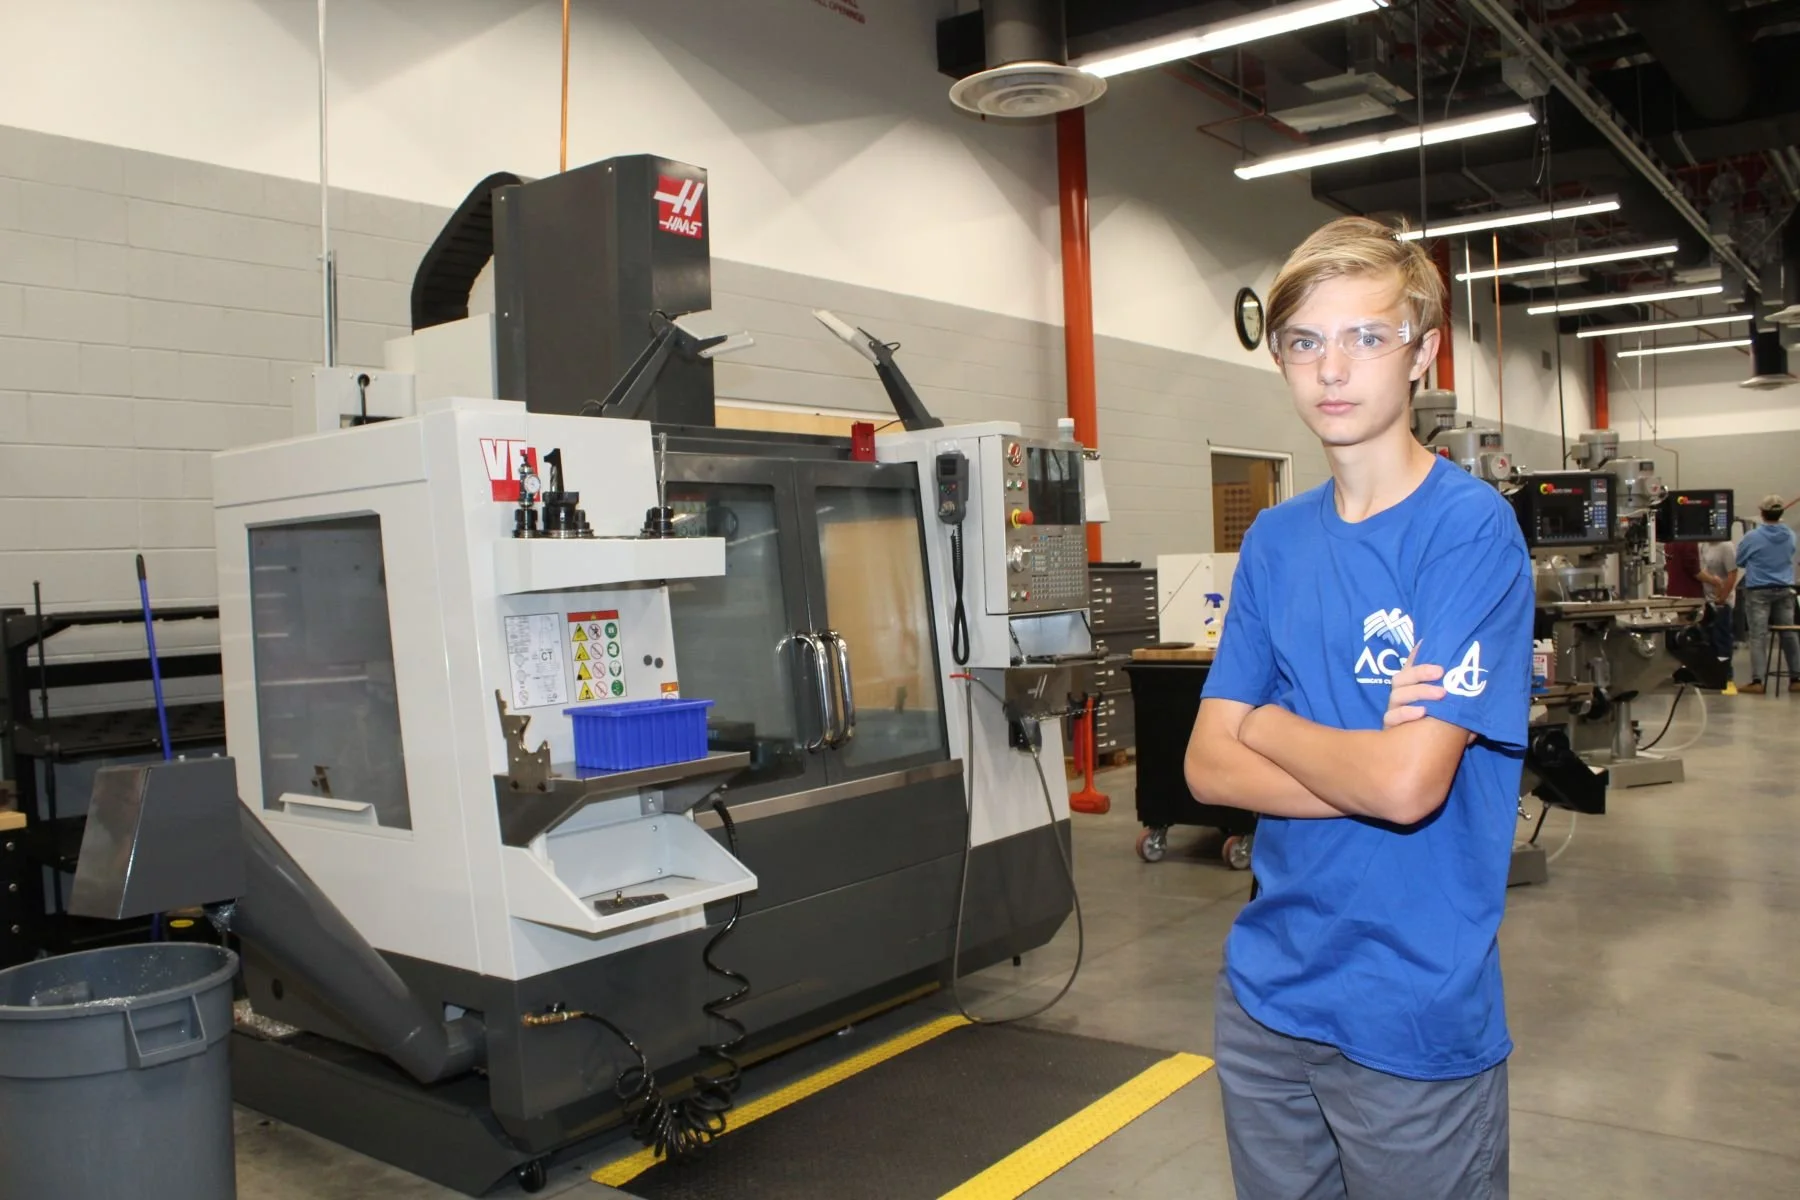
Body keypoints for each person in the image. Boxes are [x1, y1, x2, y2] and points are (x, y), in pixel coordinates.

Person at [1184, 216, 1532, 1200]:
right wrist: (1366, 764)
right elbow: (1206, 767)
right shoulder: (1275, 540)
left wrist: (1269, 724)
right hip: (1268, 999)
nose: (1331, 369)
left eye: (1366, 337)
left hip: (1411, 1015)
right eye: (1304, 342)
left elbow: (1410, 788)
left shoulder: (1468, 532)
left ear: (1421, 354)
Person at [1735, 495, 1799, 694]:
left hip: (1758, 591)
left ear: (1762, 513)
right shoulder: (1790, 535)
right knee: (1788, 633)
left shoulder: (1752, 537)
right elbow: (1790, 553)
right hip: (1785, 589)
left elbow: (1740, 560)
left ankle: (1758, 681)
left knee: (1758, 635)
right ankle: (1796, 679)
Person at [1696, 535, 1739, 668]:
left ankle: (1724, 671)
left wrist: (1722, 599)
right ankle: (1713, 671)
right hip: (1707, 600)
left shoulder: (1726, 546)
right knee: (1708, 640)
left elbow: (1732, 574)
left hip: (1721, 603)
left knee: (1721, 639)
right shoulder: (1704, 545)